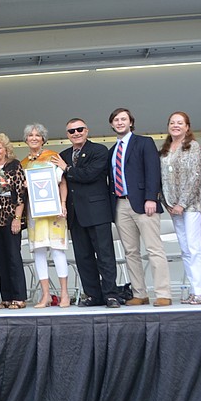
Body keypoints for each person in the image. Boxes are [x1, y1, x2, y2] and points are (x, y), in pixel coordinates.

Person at [52, 118, 121, 308]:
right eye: (71, 131)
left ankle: (111, 295)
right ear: (67, 135)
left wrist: (67, 168)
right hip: (75, 214)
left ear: (87, 130)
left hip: (97, 212)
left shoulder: (98, 151)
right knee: (83, 258)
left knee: (105, 256)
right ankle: (92, 295)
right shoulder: (63, 154)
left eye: (79, 129)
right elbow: (59, 182)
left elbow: (89, 174)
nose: (76, 133)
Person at [108, 108, 171, 307]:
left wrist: (151, 198)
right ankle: (139, 293)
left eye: (123, 119)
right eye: (116, 120)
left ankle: (163, 293)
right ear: (112, 124)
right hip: (120, 204)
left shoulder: (144, 142)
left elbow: (153, 171)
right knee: (130, 252)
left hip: (144, 204)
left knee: (154, 249)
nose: (120, 122)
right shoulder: (112, 151)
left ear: (131, 122)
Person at [160, 112, 201, 305]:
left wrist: (182, 203)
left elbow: (196, 177)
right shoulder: (164, 150)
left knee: (196, 248)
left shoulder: (193, 147)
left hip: (192, 205)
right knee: (185, 250)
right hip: (173, 206)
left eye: (180, 123)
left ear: (187, 127)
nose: (176, 126)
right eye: (172, 122)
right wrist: (168, 204)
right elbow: (161, 178)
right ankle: (193, 290)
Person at [20, 124, 70, 308]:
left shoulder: (53, 157)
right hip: (36, 212)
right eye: (30, 135)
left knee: (57, 250)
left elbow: (62, 183)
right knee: (39, 252)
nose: (34, 138)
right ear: (26, 140)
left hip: (55, 210)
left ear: (43, 139)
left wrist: (63, 204)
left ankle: (64, 294)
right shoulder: (23, 163)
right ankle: (46, 295)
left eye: (37, 135)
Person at [0, 133, 27, 309]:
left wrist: (17, 218)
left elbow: (21, 194)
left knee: (13, 257)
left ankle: (19, 297)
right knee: (0, 260)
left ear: (6, 149)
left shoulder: (14, 166)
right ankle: (6, 297)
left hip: (10, 217)